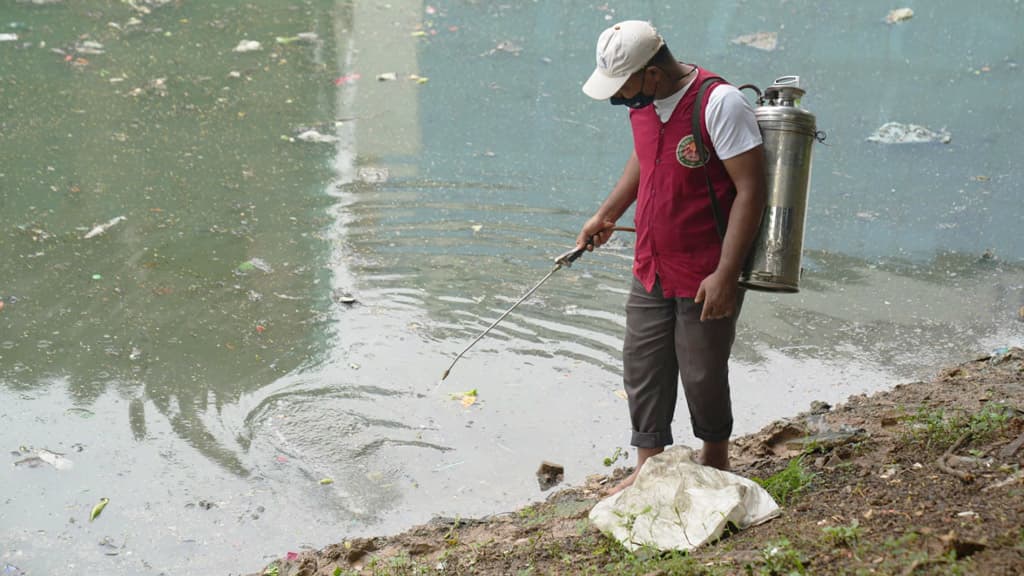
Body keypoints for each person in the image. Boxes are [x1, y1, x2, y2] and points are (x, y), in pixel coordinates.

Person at [577, 20, 767, 495]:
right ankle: (648, 465)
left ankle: (716, 460)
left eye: (623, 90)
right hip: (652, 261)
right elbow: (644, 158)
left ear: (653, 75)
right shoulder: (643, 106)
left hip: (706, 266)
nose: (620, 100)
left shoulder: (719, 103)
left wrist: (726, 273)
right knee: (642, 365)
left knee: (702, 369)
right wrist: (606, 214)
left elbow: (751, 190)